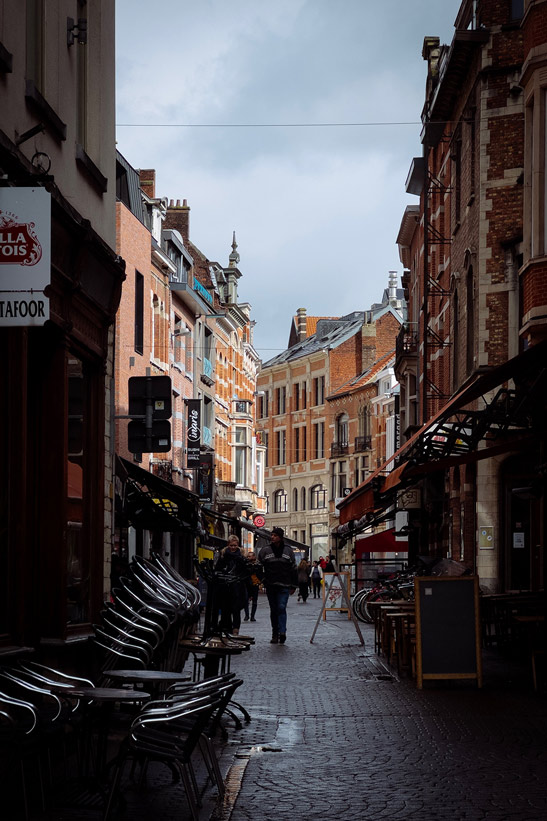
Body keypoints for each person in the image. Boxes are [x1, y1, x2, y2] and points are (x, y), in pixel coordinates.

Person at [258, 527, 296, 644]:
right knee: (274, 610)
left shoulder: (288, 551)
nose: (272, 537)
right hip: (271, 585)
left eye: (275, 535)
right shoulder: (265, 551)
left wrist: (293, 585)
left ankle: (282, 632)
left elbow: (293, 568)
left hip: (284, 585)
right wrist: (263, 579)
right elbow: (259, 566)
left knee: (281, 607)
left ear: (280, 537)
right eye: (272, 535)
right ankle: (275, 633)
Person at [215, 535, 250, 636]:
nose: (233, 547)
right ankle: (227, 628)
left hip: (238, 587)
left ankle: (235, 629)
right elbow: (218, 568)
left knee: (236, 609)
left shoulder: (242, 555)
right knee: (226, 608)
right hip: (225, 586)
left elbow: (245, 572)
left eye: (235, 545)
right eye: (231, 545)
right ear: (228, 545)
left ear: (237, 545)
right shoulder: (223, 555)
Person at [243, 550, 261, 622]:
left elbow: (260, 574)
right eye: (248, 556)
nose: (249, 558)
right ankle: (247, 615)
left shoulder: (258, 565)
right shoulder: (245, 564)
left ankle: (252, 616)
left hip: (254, 584)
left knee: (254, 601)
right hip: (246, 584)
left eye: (250, 556)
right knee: (245, 600)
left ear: (254, 557)